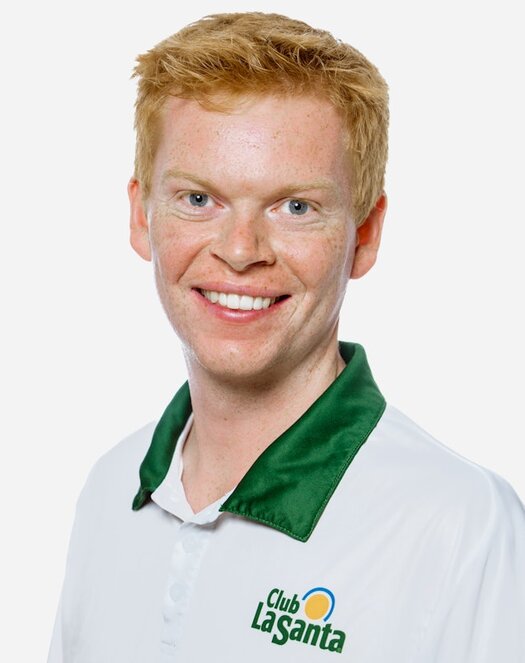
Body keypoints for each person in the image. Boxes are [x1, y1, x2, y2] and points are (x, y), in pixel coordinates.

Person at [47, 11, 525, 663]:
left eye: (295, 207)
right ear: (141, 215)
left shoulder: (461, 526)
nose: (241, 250)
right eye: (198, 199)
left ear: (364, 234)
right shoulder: (111, 489)